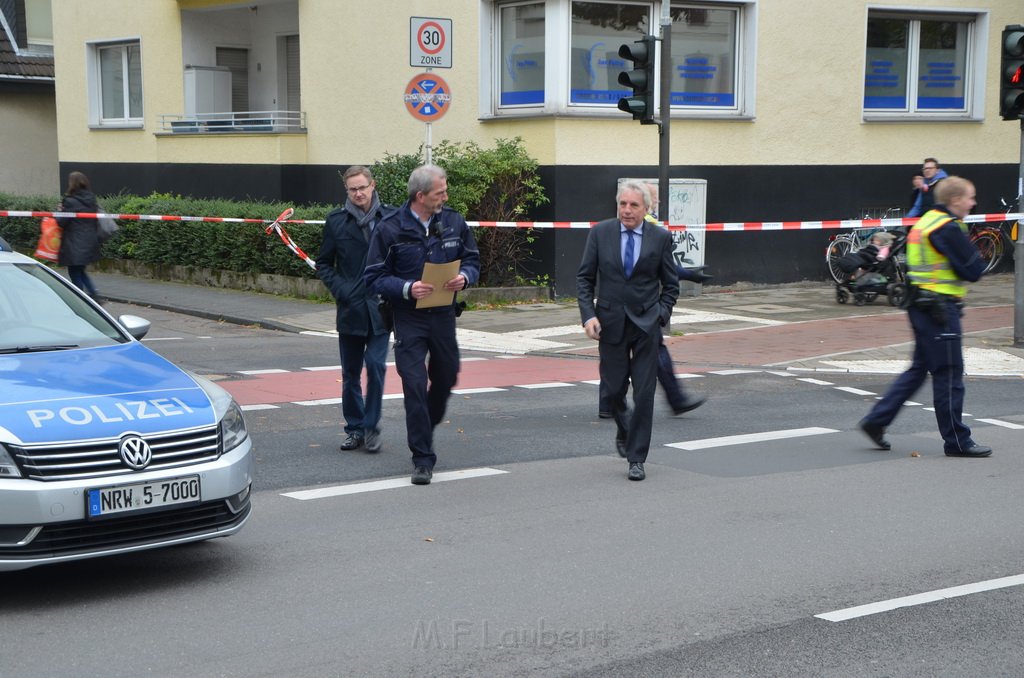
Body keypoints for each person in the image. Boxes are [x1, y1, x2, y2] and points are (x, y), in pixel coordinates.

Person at [364, 164, 480, 485]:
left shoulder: (454, 221)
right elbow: (372, 278)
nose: (445, 196)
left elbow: (472, 259)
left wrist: (465, 277)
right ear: (420, 196)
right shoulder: (390, 229)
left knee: (446, 377)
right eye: (440, 192)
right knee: (414, 385)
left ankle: (424, 424)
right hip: (408, 318)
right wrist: (406, 288)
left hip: (443, 314)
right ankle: (422, 458)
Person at [858, 176, 991, 458]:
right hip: (939, 309)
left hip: (920, 305)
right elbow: (974, 270)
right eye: (970, 197)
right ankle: (957, 440)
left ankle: (876, 420)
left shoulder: (926, 221)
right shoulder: (947, 228)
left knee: (919, 369)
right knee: (949, 373)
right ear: (955, 200)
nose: (973, 202)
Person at [577, 181, 679, 481]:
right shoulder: (600, 233)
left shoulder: (659, 237)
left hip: (646, 324)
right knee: (613, 390)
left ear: (646, 209)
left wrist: (661, 314)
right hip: (609, 323)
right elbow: (584, 279)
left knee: (644, 393)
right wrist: (588, 316)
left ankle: (637, 458)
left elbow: (671, 284)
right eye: (623, 204)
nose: (627, 210)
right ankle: (624, 427)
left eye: (634, 205)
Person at [316, 166, 393, 454]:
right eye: (353, 189)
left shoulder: (391, 218)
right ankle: (355, 428)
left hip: (382, 308)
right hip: (350, 308)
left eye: (362, 187)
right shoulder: (336, 222)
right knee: (350, 374)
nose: (358, 193)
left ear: (372, 185)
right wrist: (341, 290)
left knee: (375, 366)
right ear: (347, 191)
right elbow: (324, 263)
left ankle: (371, 427)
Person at [57, 171, 102, 300]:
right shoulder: (91, 199)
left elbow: (61, 222)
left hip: (74, 242)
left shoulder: (70, 201)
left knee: (74, 272)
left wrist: (59, 211)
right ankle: (94, 295)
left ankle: (80, 298)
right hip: (89, 241)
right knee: (80, 270)